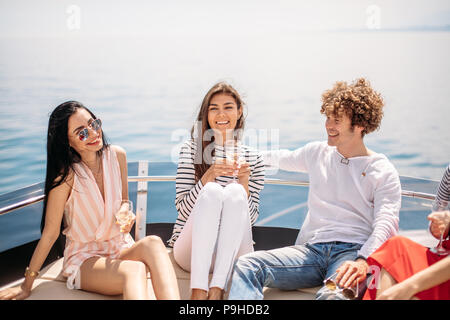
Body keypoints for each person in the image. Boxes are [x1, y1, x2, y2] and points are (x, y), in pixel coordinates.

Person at [228, 78, 402, 300]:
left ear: (360, 125)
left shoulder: (382, 170)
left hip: (352, 254)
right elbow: (281, 157)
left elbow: (386, 224)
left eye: (337, 120)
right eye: (328, 117)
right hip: (312, 252)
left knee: (332, 296)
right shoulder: (317, 153)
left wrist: (362, 260)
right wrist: (239, 155)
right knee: (247, 265)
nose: (329, 125)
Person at [0, 101, 180, 300]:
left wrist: (125, 213)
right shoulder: (66, 178)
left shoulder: (117, 155)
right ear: (68, 142)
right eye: (81, 133)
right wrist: (26, 284)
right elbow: (50, 235)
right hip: (84, 259)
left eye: (93, 125)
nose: (94, 134)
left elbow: (124, 202)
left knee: (154, 243)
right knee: (134, 270)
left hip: (119, 247)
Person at [168, 82, 265, 300]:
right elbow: (182, 211)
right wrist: (208, 176)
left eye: (228, 107)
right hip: (191, 252)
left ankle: (216, 289)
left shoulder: (254, 159)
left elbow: (251, 220)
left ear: (239, 112)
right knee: (211, 191)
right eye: (214, 108)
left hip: (233, 253)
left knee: (235, 192)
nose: (222, 114)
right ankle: (199, 291)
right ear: (207, 114)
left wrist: (244, 184)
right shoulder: (191, 150)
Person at [363, 164, 450, 300]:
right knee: (394, 247)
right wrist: (439, 227)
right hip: (444, 255)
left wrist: (409, 286)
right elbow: (437, 217)